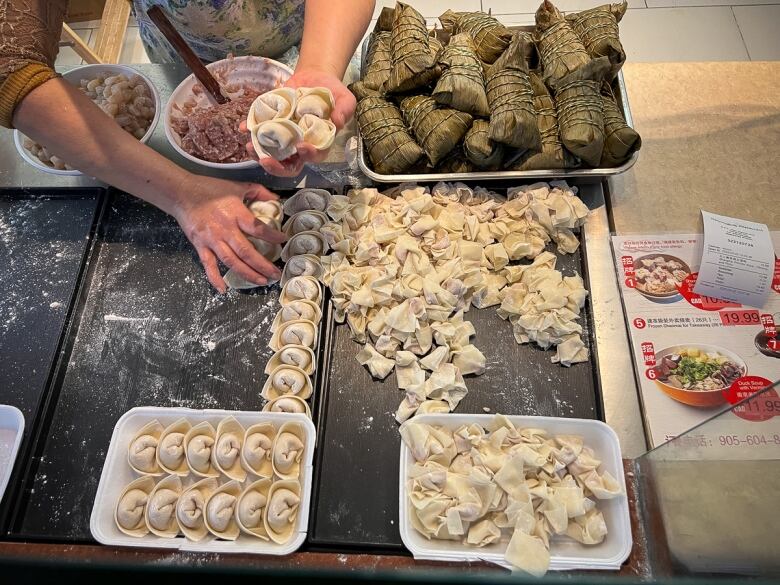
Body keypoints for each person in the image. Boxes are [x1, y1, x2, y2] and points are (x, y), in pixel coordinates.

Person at [0, 0, 374, 291]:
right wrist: (182, 193)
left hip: (317, 35)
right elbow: (9, 64)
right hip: (180, 54)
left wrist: (320, 71)